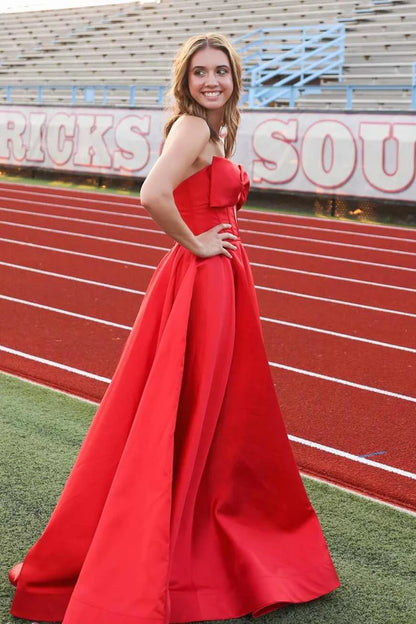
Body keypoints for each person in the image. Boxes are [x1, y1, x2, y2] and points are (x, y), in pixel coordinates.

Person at [8, 33, 340, 624]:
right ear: (185, 81)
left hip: (216, 280)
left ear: (235, 78)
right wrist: (197, 244)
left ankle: (193, 528)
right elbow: (152, 194)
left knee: (208, 409)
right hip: (204, 280)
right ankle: (173, 543)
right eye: (200, 72)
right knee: (194, 406)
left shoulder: (213, 130)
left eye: (221, 71)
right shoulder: (191, 127)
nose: (212, 81)